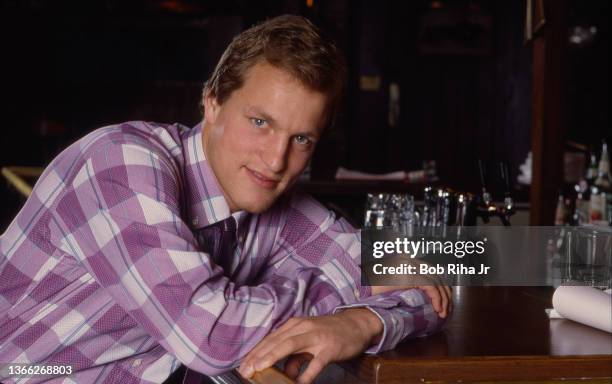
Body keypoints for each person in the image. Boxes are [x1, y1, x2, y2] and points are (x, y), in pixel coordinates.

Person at [0, 15, 451, 384]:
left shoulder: (271, 205)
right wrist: (344, 300)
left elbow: (452, 265)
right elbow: (211, 333)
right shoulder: (120, 163)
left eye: (301, 138)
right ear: (211, 103)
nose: (276, 160)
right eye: (259, 122)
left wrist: (361, 324)